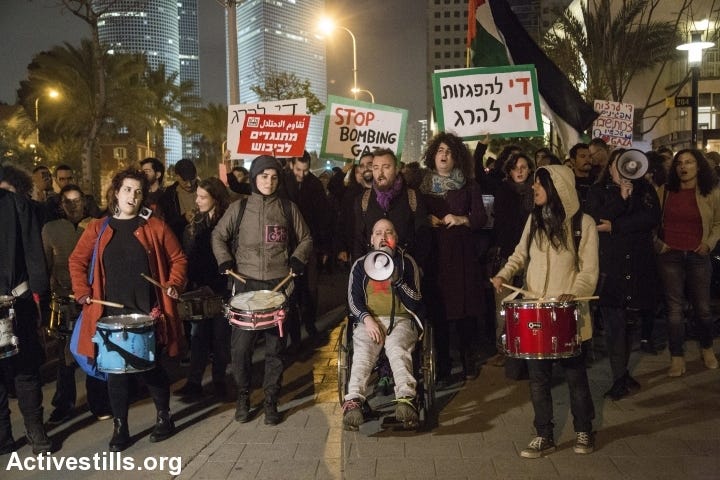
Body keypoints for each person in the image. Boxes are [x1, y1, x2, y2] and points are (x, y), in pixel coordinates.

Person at [69, 168, 187, 451]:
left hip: (148, 312)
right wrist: (83, 293)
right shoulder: (98, 227)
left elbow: (178, 258)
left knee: (151, 368)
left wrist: (173, 284)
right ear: (116, 192)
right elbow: (76, 261)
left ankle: (164, 418)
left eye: (137, 191)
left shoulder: (154, 226)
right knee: (116, 372)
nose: (132, 196)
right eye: (127, 190)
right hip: (109, 315)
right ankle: (120, 426)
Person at [491, 165, 599, 458]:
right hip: (535, 312)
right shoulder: (534, 219)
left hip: (567, 312)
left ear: (557, 187)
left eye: (539, 184)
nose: (534, 188)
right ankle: (544, 434)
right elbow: (519, 255)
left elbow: (589, 270)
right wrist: (504, 274)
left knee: (576, 376)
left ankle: (584, 430)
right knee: (538, 377)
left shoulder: (583, 224)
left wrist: (573, 295)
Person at [212, 155, 312, 425]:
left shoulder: (288, 208)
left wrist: (297, 259)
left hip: (279, 286)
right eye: (264, 176)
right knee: (241, 349)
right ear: (255, 177)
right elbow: (218, 236)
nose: (269, 181)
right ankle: (243, 396)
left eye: (274, 177)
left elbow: (305, 239)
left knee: (275, 349)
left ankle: (271, 400)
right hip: (245, 284)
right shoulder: (239, 208)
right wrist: (224, 261)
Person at [585, 149, 660, 400]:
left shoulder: (645, 190)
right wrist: (620, 197)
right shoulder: (598, 191)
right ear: (611, 166)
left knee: (630, 324)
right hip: (612, 267)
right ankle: (619, 377)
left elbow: (651, 218)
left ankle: (623, 372)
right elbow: (597, 219)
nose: (626, 169)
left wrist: (616, 227)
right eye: (620, 164)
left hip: (637, 265)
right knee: (614, 324)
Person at [418, 132, 487, 384]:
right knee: (440, 314)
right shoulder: (423, 187)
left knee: (465, 313)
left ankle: (469, 361)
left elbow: (480, 218)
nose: (443, 155)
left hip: (462, 257)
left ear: (456, 156)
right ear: (432, 155)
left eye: (448, 151)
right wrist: (425, 220)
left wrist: (461, 219)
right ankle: (443, 366)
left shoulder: (469, 186)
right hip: (435, 257)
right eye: (439, 151)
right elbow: (414, 215)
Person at [342, 219, 424, 430]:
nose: (383, 236)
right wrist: (367, 319)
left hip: (401, 320)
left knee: (397, 349)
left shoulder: (408, 263)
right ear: (372, 239)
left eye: (389, 232)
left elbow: (415, 300)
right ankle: (354, 400)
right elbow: (353, 300)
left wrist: (398, 281)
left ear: (395, 239)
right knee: (362, 352)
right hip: (370, 321)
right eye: (378, 232)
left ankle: (406, 397)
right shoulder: (360, 265)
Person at [42, 185, 111, 424]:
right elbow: (46, 265)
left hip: (92, 298)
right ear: (61, 205)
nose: (73, 206)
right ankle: (64, 403)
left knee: (93, 351)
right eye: (68, 202)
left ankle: (99, 401)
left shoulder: (97, 224)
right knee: (65, 357)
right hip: (63, 299)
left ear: (84, 201)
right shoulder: (51, 229)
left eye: (77, 200)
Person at [0, 167, 53, 455]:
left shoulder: (17, 205)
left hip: (16, 301)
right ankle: (4, 436)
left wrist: (39, 301)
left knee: (26, 369)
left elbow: (35, 257)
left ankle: (35, 430)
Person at [655, 149, 720, 377]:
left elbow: (718, 223)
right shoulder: (664, 191)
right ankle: (677, 356)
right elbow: (651, 220)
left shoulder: (710, 192)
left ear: (699, 166)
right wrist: (659, 245)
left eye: (689, 162)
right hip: (670, 255)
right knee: (674, 310)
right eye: (680, 163)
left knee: (702, 309)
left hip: (698, 255)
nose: (684, 167)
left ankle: (706, 348)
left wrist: (708, 244)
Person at [175, 177, 232, 399]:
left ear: (215, 198)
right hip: (200, 290)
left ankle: (219, 381)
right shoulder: (196, 223)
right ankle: (194, 382)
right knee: (198, 337)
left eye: (202, 197)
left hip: (221, 289)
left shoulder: (227, 222)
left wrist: (218, 284)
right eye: (197, 196)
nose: (197, 201)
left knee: (220, 339)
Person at [488, 152, 535, 368]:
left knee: (528, 303)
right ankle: (503, 348)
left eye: (524, 167)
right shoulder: (503, 191)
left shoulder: (537, 192)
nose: (520, 171)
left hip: (532, 256)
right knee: (504, 306)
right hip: (507, 255)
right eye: (515, 167)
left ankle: (527, 345)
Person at [283, 151, 332, 340]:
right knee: (291, 291)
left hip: (310, 245)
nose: (301, 174)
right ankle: (294, 335)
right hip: (287, 246)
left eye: (305, 170)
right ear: (290, 165)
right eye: (298, 169)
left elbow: (324, 217)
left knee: (311, 289)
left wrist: (325, 247)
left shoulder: (314, 184)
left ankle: (310, 324)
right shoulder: (283, 182)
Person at [158, 158, 198, 242]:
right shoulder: (168, 196)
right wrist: (183, 219)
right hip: (178, 243)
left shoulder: (205, 191)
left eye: (192, 179)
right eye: (184, 180)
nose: (189, 184)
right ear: (177, 176)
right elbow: (165, 225)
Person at [569, 143, 594, 210]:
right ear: (573, 161)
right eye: (582, 156)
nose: (587, 160)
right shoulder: (567, 181)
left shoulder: (598, 180)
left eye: (590, 156)